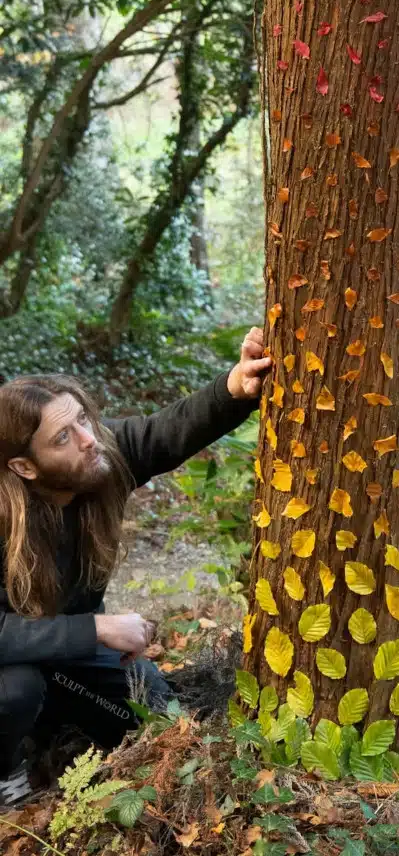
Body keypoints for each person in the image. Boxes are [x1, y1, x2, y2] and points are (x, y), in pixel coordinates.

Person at [0, 327, 272, 808]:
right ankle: (7, 771)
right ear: (25, 466)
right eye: (64, 436)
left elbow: (165, 432)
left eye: (83, 419)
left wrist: (236, 387)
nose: (89, 440)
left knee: (157, 718)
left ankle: (49, 730)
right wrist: (97, 628)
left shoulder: (98, 458)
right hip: (11, 668)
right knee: (16, 691)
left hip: (67, 659)